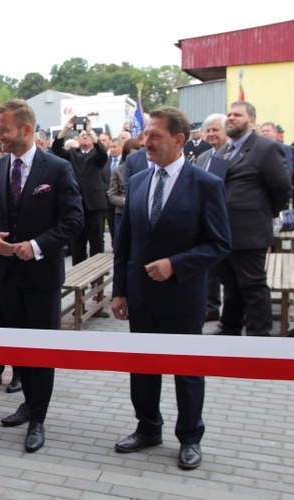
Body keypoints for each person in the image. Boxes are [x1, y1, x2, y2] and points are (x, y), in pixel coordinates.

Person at [111, 106, 231, 471]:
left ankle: (190, 437)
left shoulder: (206, 184)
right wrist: (120, 290)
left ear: (179, 140)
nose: (146, 142)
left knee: (187, 370)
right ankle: (148, 428)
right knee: (143, 367)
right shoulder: (138, 181)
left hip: (182, 297)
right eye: (146, 135)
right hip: (141, 296)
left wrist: (175, 265)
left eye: (155, 136)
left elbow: (219, 243)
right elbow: (125, 243)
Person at [0, 99, 84, 453]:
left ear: (26, 130)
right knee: (19, 348)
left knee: (41, 351)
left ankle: (38, 417)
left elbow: (73, 221)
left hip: (41, 277)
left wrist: (37, 245)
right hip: (6, 277)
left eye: (4, 129)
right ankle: (27, 402)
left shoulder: (56, 168)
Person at [213, 101, 291, 337]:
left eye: (237, 115)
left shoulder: (266, 148)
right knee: (230, 283)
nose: (231, 118)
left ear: (252, 120)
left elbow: (281, 187)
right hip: (223, 230)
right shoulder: (223, 150)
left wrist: (264, 213)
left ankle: (259, 334)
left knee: (253, 284)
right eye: (228, 114)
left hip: (249, 230)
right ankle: (229, 327)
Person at [51, 116, 108, 269]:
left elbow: (103, 154)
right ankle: (78, 271)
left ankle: (97, 273)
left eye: (87, 135)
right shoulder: (73, 154)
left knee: (96, 240)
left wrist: (91, 131)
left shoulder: (97, 155)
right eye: (82, 135)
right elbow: (56, 149)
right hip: (76, 203)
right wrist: (66, 128)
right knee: (77, 241)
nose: (84, 136)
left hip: (94, 203)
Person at [194, 113, 230, 323]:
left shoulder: (231, 155)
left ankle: (232, 314)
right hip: (201, 221)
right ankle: (211, 306)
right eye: (209, 130)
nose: (211, 134)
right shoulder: (203, 157)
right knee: (209, 269)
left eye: (216, 130)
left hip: (225, 220)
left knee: (229, 273)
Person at [107, 138, 141, 242]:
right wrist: (125, 201)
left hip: (139, 213)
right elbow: (112, 195)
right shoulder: (118, 170)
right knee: (120, 243)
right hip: (122, 213)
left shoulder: (146, 170)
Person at [103, 137, 124, 246]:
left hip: (121, 202)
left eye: (114, 147)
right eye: (110, 147)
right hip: (108, 201)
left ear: (121, 147)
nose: (112, 149)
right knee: (112, 228)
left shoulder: (125, 162)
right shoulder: (106, 161)